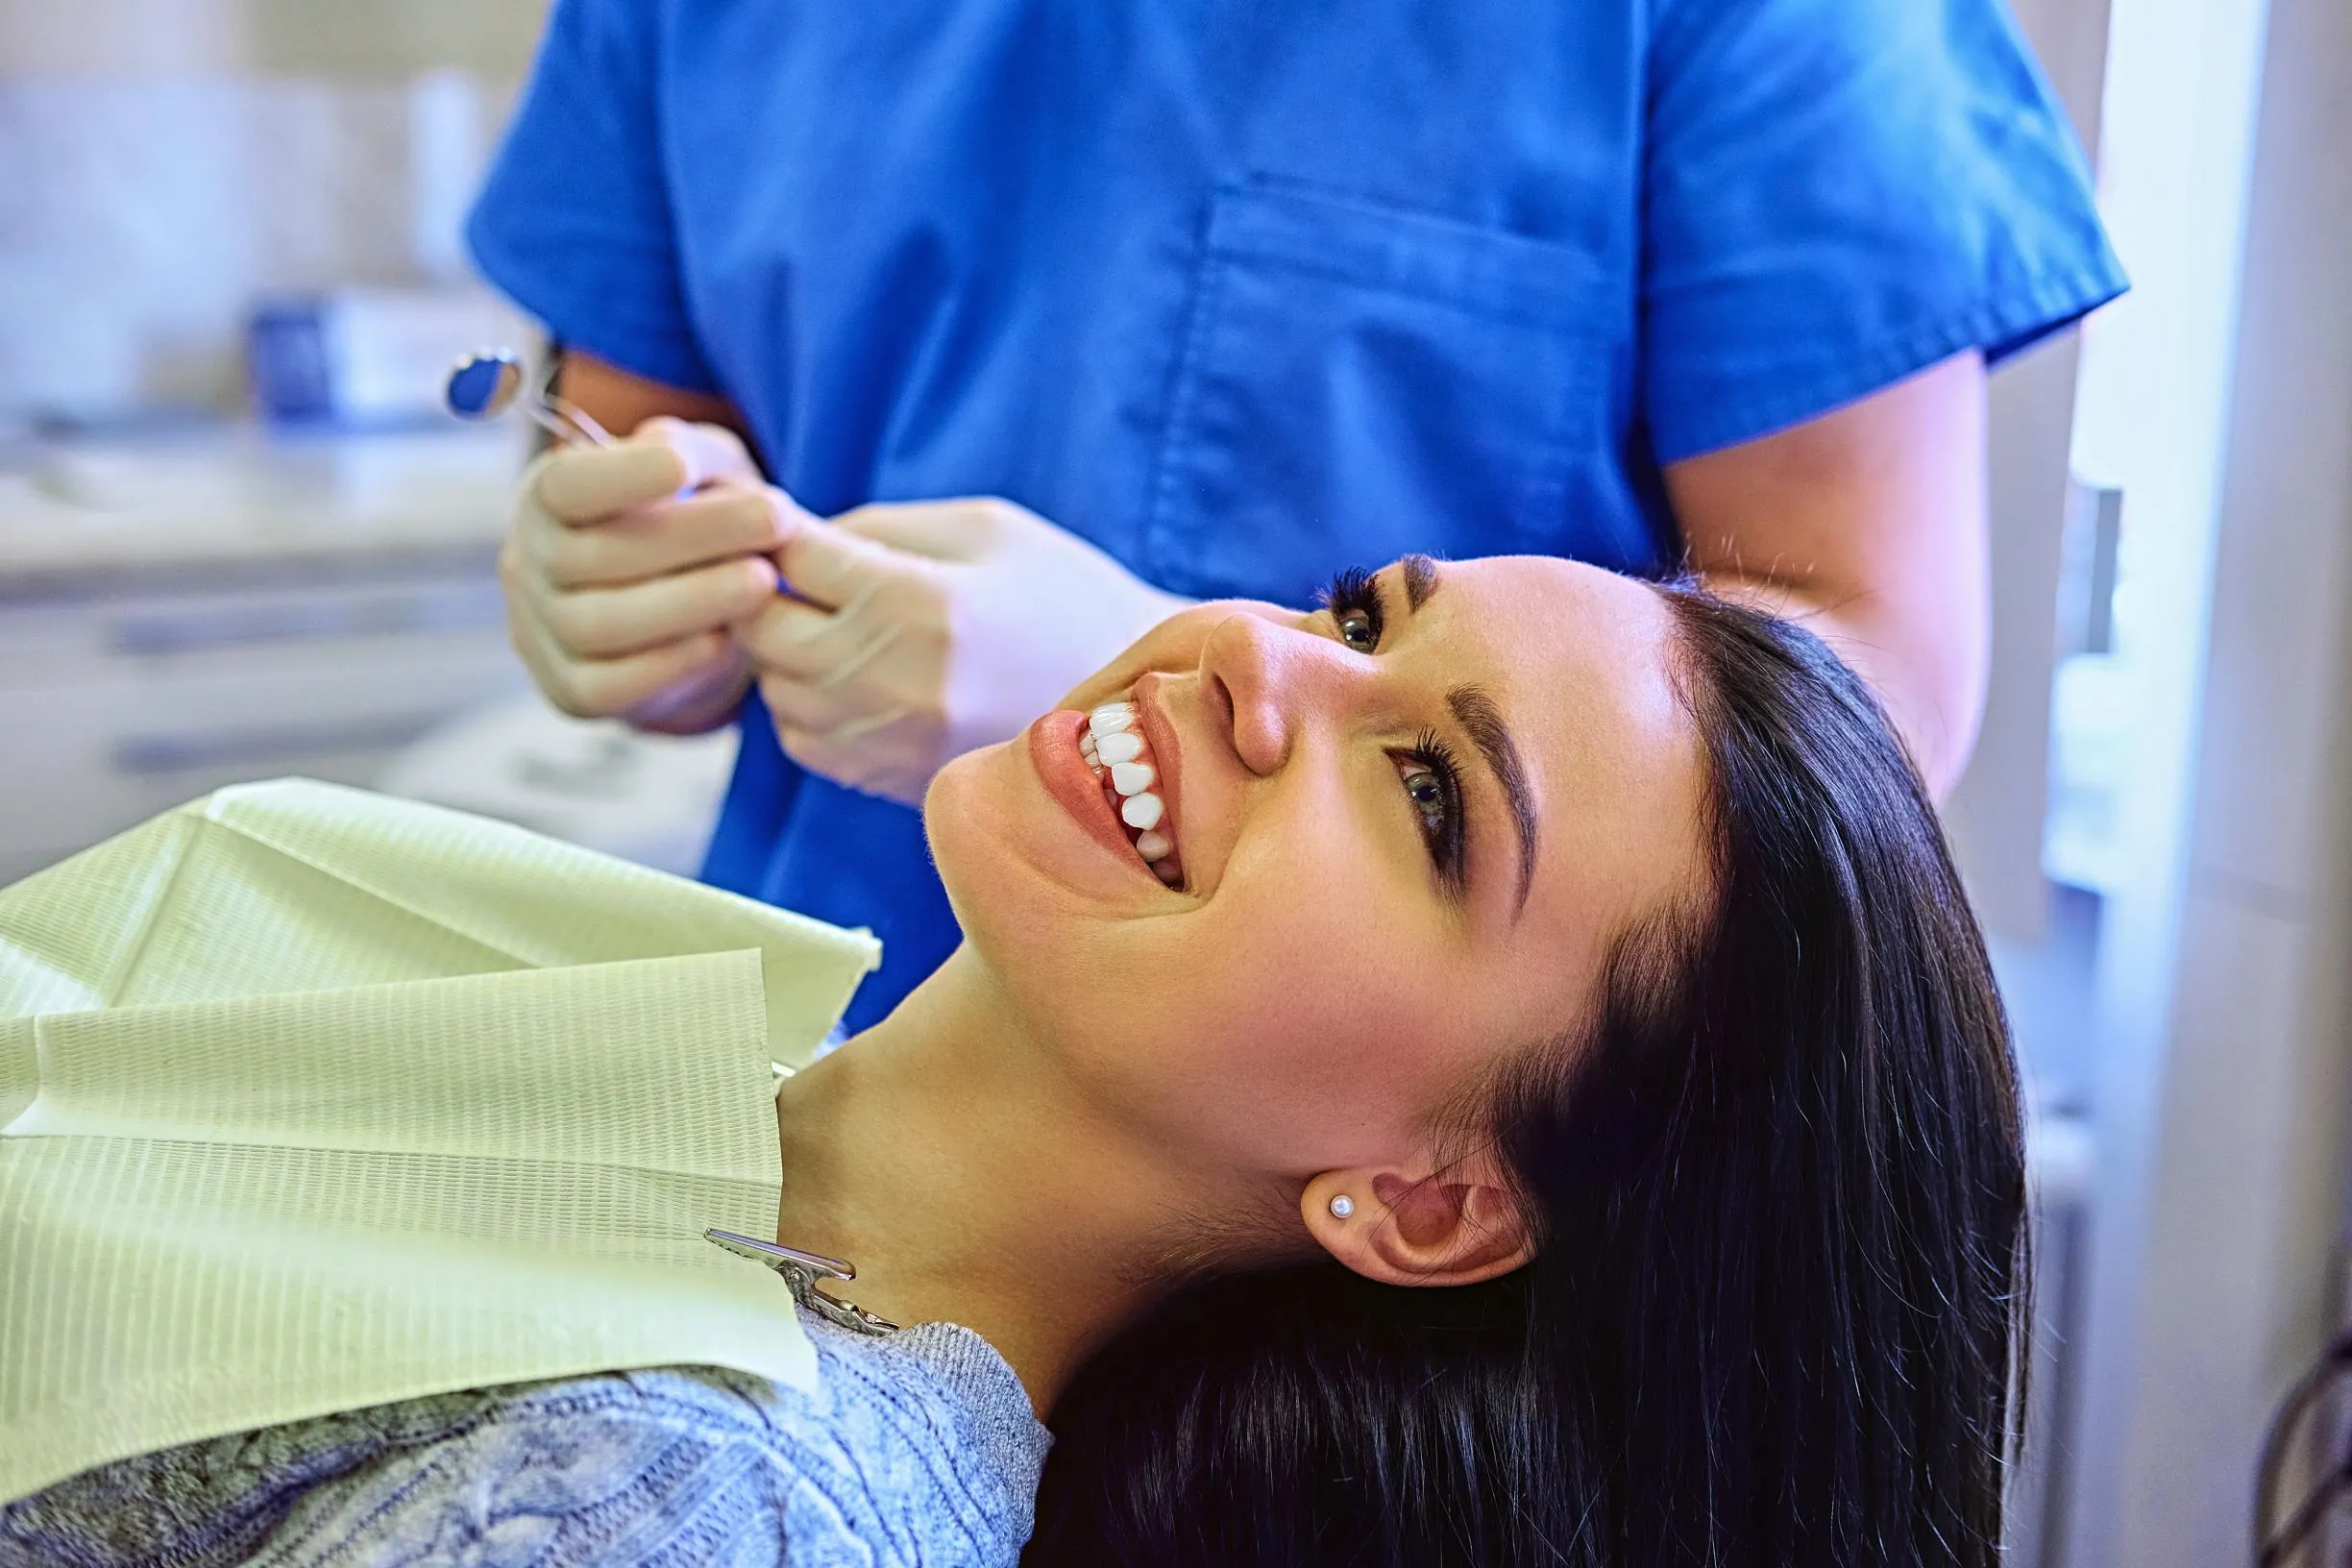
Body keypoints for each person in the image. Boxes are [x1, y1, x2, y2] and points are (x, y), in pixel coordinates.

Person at [5, 557, 2021, 1564]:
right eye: (1360, 615)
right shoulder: (655, 1020)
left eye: (1423, 795)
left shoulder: (714, 1506)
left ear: (1425, 1198)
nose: (1254, 653)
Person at [466, 0, 2125, 1031]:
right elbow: (648, 436)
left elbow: (1862, 707)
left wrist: (1154, 683)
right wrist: (635, 592)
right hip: (815, 1055)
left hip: (1340, 1280)